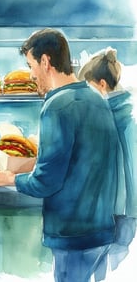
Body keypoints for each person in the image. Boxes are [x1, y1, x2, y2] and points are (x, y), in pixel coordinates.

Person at [0, 28, 121, 282]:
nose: (30, 74)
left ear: (45, 62)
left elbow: (45, 182)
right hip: (102, 233)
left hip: (72, 237)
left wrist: (9, 179)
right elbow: (82, 161)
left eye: (31, 65)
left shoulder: (57, 105)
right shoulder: (96, 97)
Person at [78, 47, 137, 281]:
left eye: (88, 88)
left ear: (102, 84)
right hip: (127, 213)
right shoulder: (128, 116)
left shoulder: (107, 119)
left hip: (112, 213)